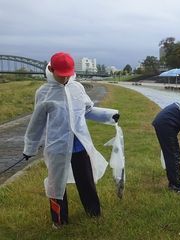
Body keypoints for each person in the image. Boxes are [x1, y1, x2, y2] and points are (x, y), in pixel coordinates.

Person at [23, 52, 120, 228]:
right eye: (62, 74)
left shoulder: (78, 88)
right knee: (56, 185)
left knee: (87, 181)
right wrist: (29, 148)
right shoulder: (43, 93)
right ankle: (59, 220)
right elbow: (36, 124)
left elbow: (88, 110)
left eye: (68, 74)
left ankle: (94, 212)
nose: (66, 78)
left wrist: (109, 115)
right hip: (57, 147)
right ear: (51, 70)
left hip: (80, 145)